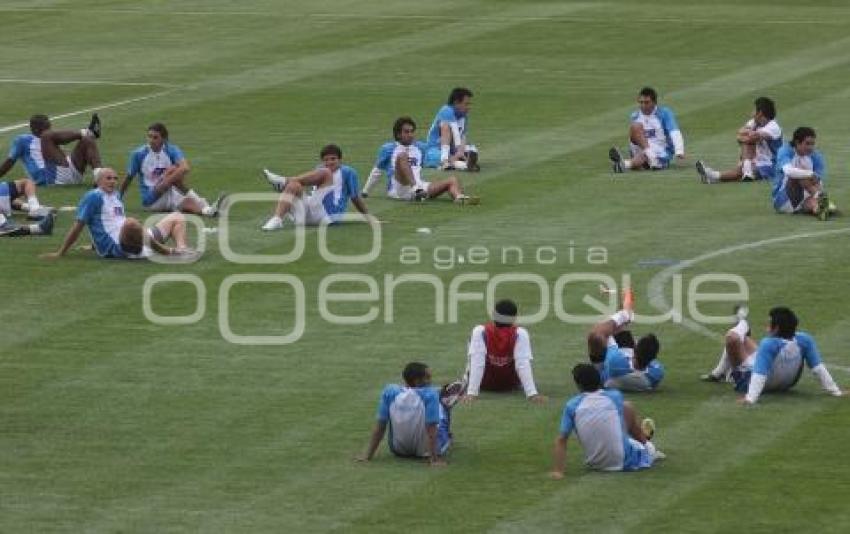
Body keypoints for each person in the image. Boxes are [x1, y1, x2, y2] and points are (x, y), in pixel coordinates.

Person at [42, 167, 196, 260]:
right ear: (98, 181)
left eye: (115, 178)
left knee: (177, 217)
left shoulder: (115, 195)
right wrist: (60, 252)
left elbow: (109, 223)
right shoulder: (93, 196)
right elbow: (78, 225)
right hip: (117, 246)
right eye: (108, 178)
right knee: (130, 223)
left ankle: (182, 249)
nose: (113, 181)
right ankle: (168, 251)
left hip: (134, 237)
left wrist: (93, 245)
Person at [701, 306, 843, 405]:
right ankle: (718, 372)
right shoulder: (804, 339)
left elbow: (759, 374)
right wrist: (836, 391)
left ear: (776, 328)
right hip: (787, 384)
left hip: (748, 381)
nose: (767, 325)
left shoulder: (769, 344)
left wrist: (750, 398)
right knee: (744, 340)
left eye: (770, 323)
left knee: (732, 338)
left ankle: (743, 323)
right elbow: (818, 368)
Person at [550, 363, 664, 479]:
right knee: (628, 408)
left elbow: (561, 440)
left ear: (578, 385)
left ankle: (640, 441)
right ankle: (648, 446)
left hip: (595, 463)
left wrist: (558, 471)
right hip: (625, 461)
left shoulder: (571, 405)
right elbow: (628, 421)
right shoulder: (615, 396)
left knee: (623, 415)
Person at [357, 362, 462, 466]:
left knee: (437, 399)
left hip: (398, 450)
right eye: (428, 377)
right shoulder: (431, 395)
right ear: (417, 381)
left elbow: (380, 427)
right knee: (444, 408)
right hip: (424, 452)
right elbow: (431, 430)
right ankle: (447, 430)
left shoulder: (389, 392)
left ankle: (442, 393)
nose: (430, 380)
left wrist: (368, 455)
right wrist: (434, 460)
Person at [361, 117, 477, 203]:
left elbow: (435, 161)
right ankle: (416, 190)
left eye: (412, 131)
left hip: (420, 186)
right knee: (402, 156)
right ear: (398, 134)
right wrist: (365, 191)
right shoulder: (388, 148)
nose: (410, 134)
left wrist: (463, 164)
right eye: (406, 132)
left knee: (452, 180)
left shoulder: (420, 147)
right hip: (398, 189)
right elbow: (377, 171)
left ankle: (459, 198)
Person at [120, 123, 225, 217]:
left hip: (169, 192)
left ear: (164, 139)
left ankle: (208, 211)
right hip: (152, 198)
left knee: (188, 202)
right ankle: (202, 202)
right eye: (149, 136)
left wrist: (167, 180)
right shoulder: (138, 154)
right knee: (173, 170)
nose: (151, 141)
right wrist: (118, 197)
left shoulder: (171, 150)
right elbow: (129, 177)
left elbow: (185, 168)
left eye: (155, 137)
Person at [261, 144, 371, 231]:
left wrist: (368, 217)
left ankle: (284, 181)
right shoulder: (320, 169)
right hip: (307, 216)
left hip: (329, 215)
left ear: (340, 160)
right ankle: (277, 219)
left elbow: (355, 198)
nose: (329, 162)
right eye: (326, 160)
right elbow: (315, 192)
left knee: (325, 173)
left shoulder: (348, 172)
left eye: (333, 159)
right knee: (294, 185)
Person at [461, 299, 546, 403]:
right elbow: (522, 364)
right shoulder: (520, 333)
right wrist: (532, 394)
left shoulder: (480, 331)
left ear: (493, 315)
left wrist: (471, 393)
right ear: (514, 318)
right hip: (510, 385)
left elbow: (477, 363)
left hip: (484, 384)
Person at [587, 289, 665, 392]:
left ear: (635, 350)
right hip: (632, 372)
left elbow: (599, 334)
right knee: (623, 333)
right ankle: (624, 310)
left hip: (606, 377)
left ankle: (623, 313)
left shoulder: (616, 362)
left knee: (595, 338)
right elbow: (644, 357)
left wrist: (622, 316)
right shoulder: (657, 372)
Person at [696, 97, 782, 184]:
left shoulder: (773, 126)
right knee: (741, 169)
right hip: (757, 161)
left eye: (754, 110)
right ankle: (744, 171)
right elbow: (740, 132)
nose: (751, 113)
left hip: (772, 165)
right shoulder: (754, 122)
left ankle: (712, 175)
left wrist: (745, 136)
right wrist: (744, 136)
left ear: (760, 113)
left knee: (739, 171)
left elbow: (754, 136)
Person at [0, 113, 102, 186]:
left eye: (49, 127)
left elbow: (62, 152)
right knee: (46, 136)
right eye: (46, 128)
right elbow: (9, 162)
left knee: (87, 140)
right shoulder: (22, 140)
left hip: (71, 171)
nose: (49, 130)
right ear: (34, 129)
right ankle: (88, 131)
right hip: (49, 178)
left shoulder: (50, 141)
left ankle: (99, 177)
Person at [609, 87, 685, 173]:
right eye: (641, 102)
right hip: (643, 148)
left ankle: (626, 164)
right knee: (635, 127)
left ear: (654, 102)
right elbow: (633, 137)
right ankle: (649, 159)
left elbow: (674, 131)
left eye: (646, 102)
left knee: (643, 156)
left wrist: (679, 151)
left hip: (660, 149)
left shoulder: (664, 113)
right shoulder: (635, 115)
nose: (643, 105)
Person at [770, 126, 832, 220]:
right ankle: (821, 198)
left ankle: (819, 209)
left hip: (805, 196)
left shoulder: (816, 156)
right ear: (797, 142)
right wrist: (809, 173)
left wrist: (813, 180)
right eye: (807, 144)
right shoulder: (785, 151)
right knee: (799, 175)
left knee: (811, 203)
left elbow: (818, 180)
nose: (810, 147)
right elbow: (788, 171)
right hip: (783, 199)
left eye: (812, 144)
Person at [423, 87, 480, 171]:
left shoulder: (464, 116)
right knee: (435, 155)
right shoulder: (446, 110)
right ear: (456, 102)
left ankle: (458, 162)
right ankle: (448, 161)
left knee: (473, 150)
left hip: (453, 149)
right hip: (436, 148)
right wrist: (459, 153)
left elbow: (463, 136)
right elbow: (454, 133)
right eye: (466, 104)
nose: (469, 107)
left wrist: (460, 150)